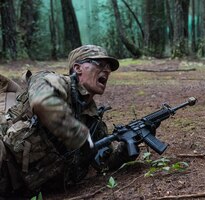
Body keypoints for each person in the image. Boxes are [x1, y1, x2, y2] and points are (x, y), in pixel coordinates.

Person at [0, 45, 137, 198]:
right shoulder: (50, 81)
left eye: (109, 67)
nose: (106, 70)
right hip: (6, 165)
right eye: (99, 64)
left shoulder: (92, 116)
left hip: (27, 187)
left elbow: (104, 163)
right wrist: (80, 135)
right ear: (77, 68)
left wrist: (128, 145)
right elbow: (41, 102)